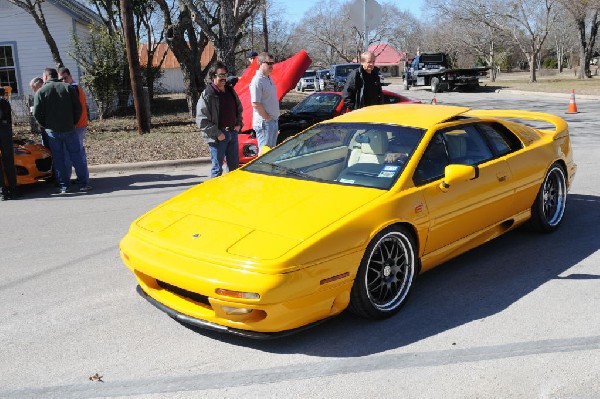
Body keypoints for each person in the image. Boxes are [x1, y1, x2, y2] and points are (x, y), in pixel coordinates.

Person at [33, 67, 90, 195]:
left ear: (46, 77)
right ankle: (83, 184)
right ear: (55, 76)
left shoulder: (41, 92)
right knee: (76, 156)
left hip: (52, 131)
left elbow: (36, 113)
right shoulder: (68, 88)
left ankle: (64, 186)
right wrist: (73, 122)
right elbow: (78, 108)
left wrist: (45, 124)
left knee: (59, 159)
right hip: (69, 128)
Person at [195, 61, 243, 178]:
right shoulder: (207, 94)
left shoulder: (230, 91)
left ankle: (231, 194)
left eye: (225, 75)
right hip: (218, 137)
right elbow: (201, 120)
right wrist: (217, 133)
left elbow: (239, 109)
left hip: (232, 132)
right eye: (220, 75)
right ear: (213, 77)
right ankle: (216, 195)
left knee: (234, 170)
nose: (224, 78)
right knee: (217, 171)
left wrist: (238, 124)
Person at [59, 67, 89, 186]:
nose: (64, 81)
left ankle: (82, 179)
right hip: (79, 124)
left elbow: (74, 109)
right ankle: (82, 177)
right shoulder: (75, 87)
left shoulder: (73, 88)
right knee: (78, 152)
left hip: (77, 125)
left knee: (75, 153)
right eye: (61, 79)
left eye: (65, 78)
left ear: (70, 76)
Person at [250, 52, 279, 155]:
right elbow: (255, 103)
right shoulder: (257, 81)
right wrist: (267, 118)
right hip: (264, 124)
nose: (271, 66)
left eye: (272, 63)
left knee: (271, 154)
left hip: (272, 121)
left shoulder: (269, 78)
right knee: (264, 155)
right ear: (261, 63)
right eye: (269, 63)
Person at [0, 87, 19, 201]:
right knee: (9, 161)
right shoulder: (5, 103)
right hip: (5, 132)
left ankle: (2, 192)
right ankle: (13, 189)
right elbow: (8, 119)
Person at [28, 77, 49, 148]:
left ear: (38, 84)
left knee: (48, 144)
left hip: (47, 124)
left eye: (33, 87)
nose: (33, 90)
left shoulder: (44, 92)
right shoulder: (40, 93)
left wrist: (35, 110)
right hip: (44, 124)